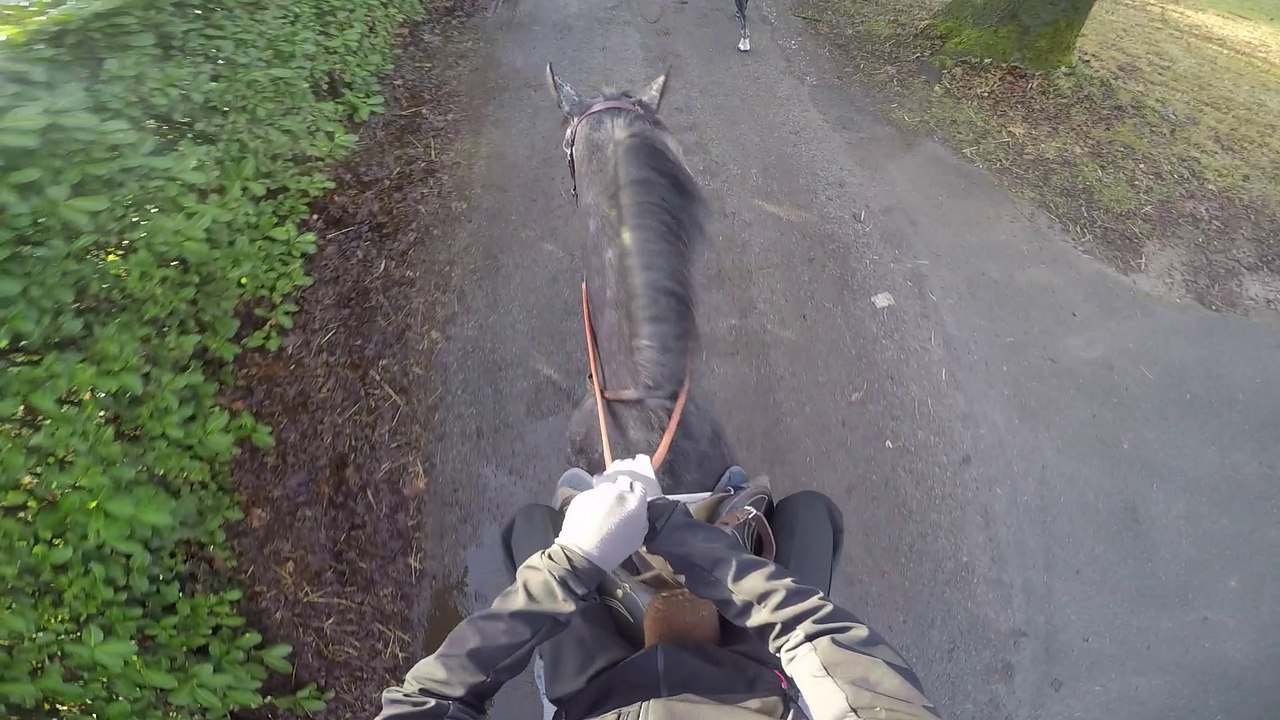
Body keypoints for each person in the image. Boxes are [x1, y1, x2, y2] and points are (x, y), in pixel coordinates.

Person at [378, 456, 939, 720]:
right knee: (811, 512)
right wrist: (676, 531)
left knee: (531, 525)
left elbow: (428, 701)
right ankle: (720, 520)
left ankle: (586, 521)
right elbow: (815, 633)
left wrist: (571, 562)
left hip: (595, 695)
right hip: (751, 678)